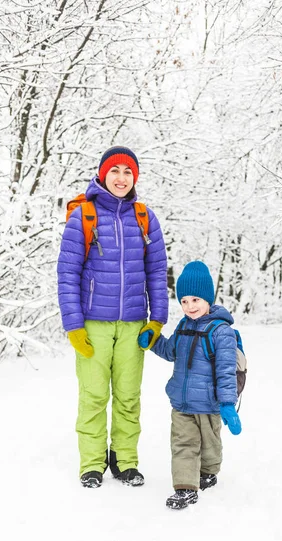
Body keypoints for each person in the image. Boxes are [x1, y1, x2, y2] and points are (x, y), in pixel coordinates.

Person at [57, 146, 168, 488]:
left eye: (128, 172)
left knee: (128, 395)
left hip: (134, 323)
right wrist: (73, 324)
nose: (121, 178)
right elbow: (67, 272)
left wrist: (157, 319)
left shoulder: (144, 217)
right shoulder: (84, 216)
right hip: (93, 323)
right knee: (93, 395)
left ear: (135, 177)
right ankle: (92, 463)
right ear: (103, 174)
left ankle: (125, 460)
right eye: (115, 171)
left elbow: (157, 271)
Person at [138, 261, 241, 509]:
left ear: (208, 299)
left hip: (209, 404)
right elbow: (171, 351)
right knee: (183, 444)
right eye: (184, 301)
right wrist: (153, 341)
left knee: (210, 446)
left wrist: (227, 403)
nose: (190, 306)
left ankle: (208, 472)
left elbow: (226, 370)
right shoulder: (184, 326)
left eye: (195, 300)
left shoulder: (221, 331)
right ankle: (185, 487)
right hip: (182, 404)